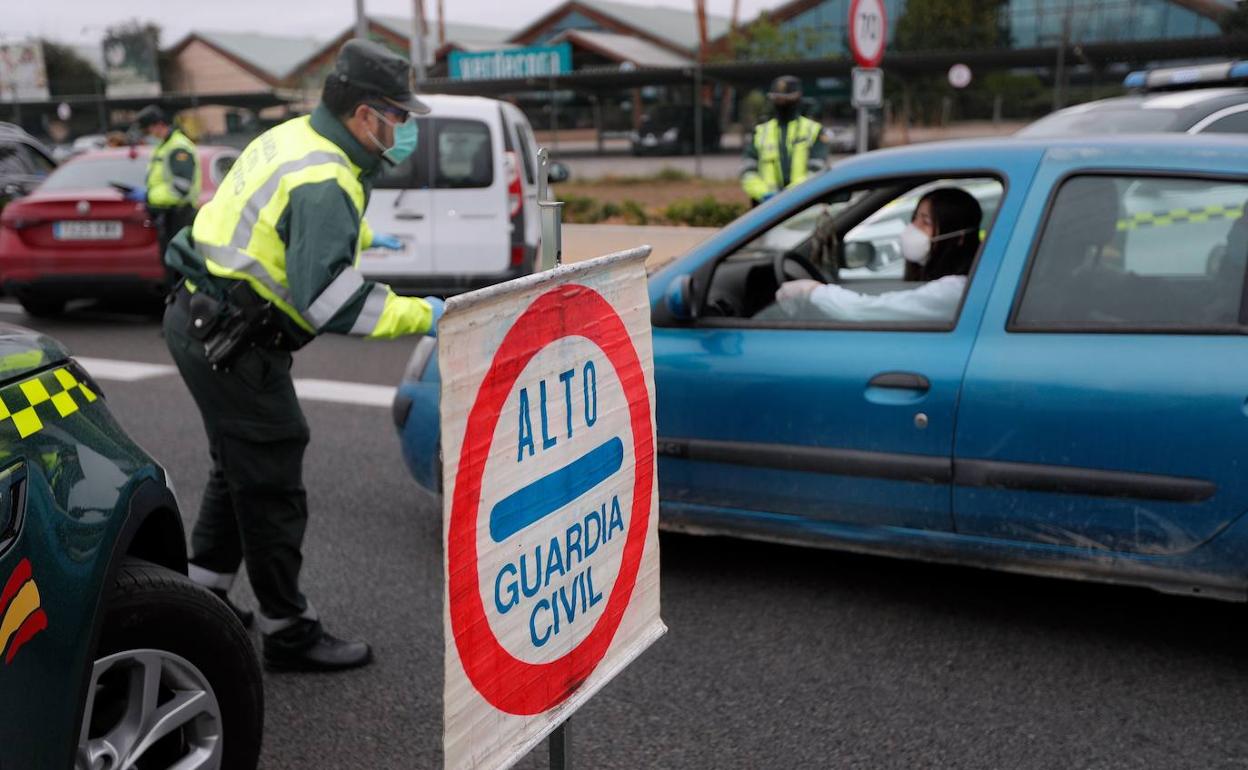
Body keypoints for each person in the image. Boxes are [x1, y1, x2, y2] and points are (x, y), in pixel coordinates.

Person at [161, 39, 438, 672]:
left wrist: (363, 233)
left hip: (200, 316)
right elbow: (333, 303)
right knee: (272, 462)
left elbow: (279, 219)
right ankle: (288, 629)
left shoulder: (295, 139)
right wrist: (429, 315)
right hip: (231, 336)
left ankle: (201, 594)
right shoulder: (327, 181)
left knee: (239, 461)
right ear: (366, 115)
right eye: (400, 116)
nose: (403, 130)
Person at [776, 187, 982, 323]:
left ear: (959, 237)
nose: (913, 228)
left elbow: (866, 310)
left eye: (925, 222)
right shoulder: (945, 282)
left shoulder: (956, 291)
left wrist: (813, 291)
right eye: (914, 218)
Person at [741, 75, 830, 206]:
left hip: (804, 205)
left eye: (787, 100)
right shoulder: (760, 131)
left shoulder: (813, 130)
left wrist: (788, 197)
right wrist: (764, 194)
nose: (782, 105)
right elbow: (748, 172)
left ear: (798, 99)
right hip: (766, 208)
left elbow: (816, 170)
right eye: (778, 100)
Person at [129, 105, 200, 262]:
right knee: (170, 264)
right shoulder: (164, 146)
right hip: (168, 216)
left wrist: (148, 195)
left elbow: (180, 189)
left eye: (148, 131)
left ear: (159, 125)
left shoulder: (178, 147)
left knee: (178, 266)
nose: (148, 135)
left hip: (180, 216)